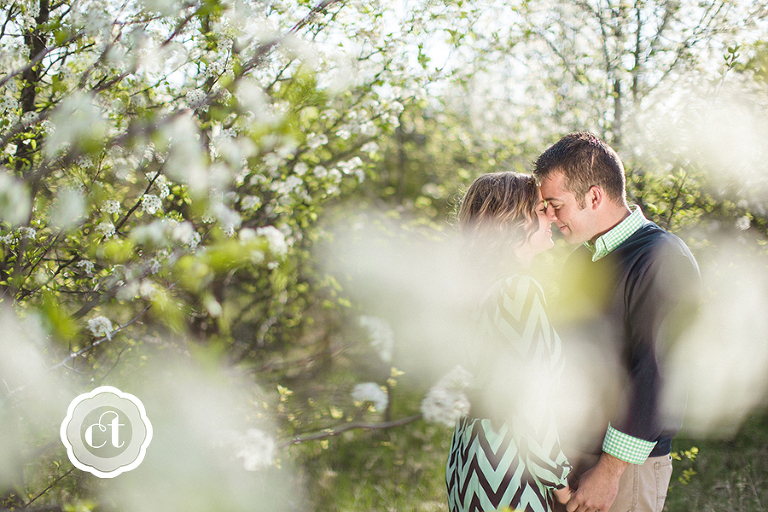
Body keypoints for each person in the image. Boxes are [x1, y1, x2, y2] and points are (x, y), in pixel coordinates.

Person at [533, 132, 701, 512]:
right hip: (569, 458)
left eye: (556, 205)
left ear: (593, 197)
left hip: (624, 469)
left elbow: (657, 372)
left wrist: (609, 471)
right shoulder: (580, 260)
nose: (551, 217)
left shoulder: (660, 257)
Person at [446, 171, 572, 512]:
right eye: (540, 208)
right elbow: (530, 399)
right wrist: (560, 481)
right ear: (512, 221)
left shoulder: (479, 288)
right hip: (508, 471)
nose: (551, 215)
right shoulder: (517, 290)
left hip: (470, 461)